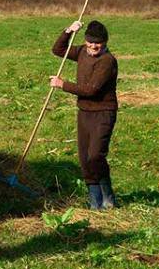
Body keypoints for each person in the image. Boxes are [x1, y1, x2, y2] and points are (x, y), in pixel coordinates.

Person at [50, 20, 119, 210]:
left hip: (104, 113)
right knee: (84, 158)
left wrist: (62, 84)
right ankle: (95, 202)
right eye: (90, 42)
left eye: (98, 43)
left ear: (104, 43)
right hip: (85, 112)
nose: (93, 46)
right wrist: (68, 31)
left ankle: (108, 196)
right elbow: (58, 50)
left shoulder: (107, 61)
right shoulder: (81, 51)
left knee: (95, 155)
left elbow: (91, 90)